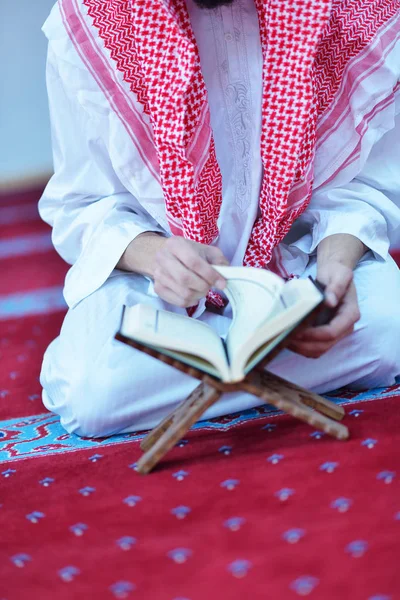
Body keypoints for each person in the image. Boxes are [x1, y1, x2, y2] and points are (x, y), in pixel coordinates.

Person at [39, 0, 400, 437]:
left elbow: (362, 184)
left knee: (390, 329)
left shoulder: (352, 8)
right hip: (157, 287)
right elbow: (83, 204)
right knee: (92, 390)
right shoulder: (90, 16)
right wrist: (157, 258)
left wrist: (336, 267)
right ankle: (253, 359)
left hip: (301, 266)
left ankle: (206, 370)